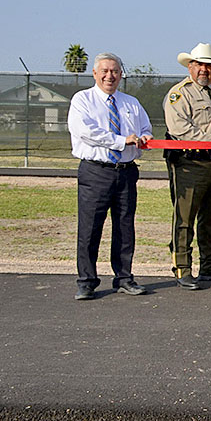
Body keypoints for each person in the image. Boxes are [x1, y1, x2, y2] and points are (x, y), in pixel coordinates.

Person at [68, 52, 153, 300]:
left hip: (126, 173)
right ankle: (86, 281)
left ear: (120, 74)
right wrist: (120, 140)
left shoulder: (131, 103)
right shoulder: (82, 100)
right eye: (104, 71)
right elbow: (86, 132)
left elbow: (145, 127)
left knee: (125, 228)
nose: (110, 76)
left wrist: (144, 136)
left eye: (114, 71)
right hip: (96, 172)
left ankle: (124, 278)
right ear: (94, 73)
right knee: (90, 229)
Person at [163, 42, 211, 291]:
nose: (205, 69)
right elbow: (180, 128)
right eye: (200, 65)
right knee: (184, 218)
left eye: (209, 65)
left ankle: (210, 265)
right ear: (190, 66)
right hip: (189, 163)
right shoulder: (179, 94)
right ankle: (182, 267)